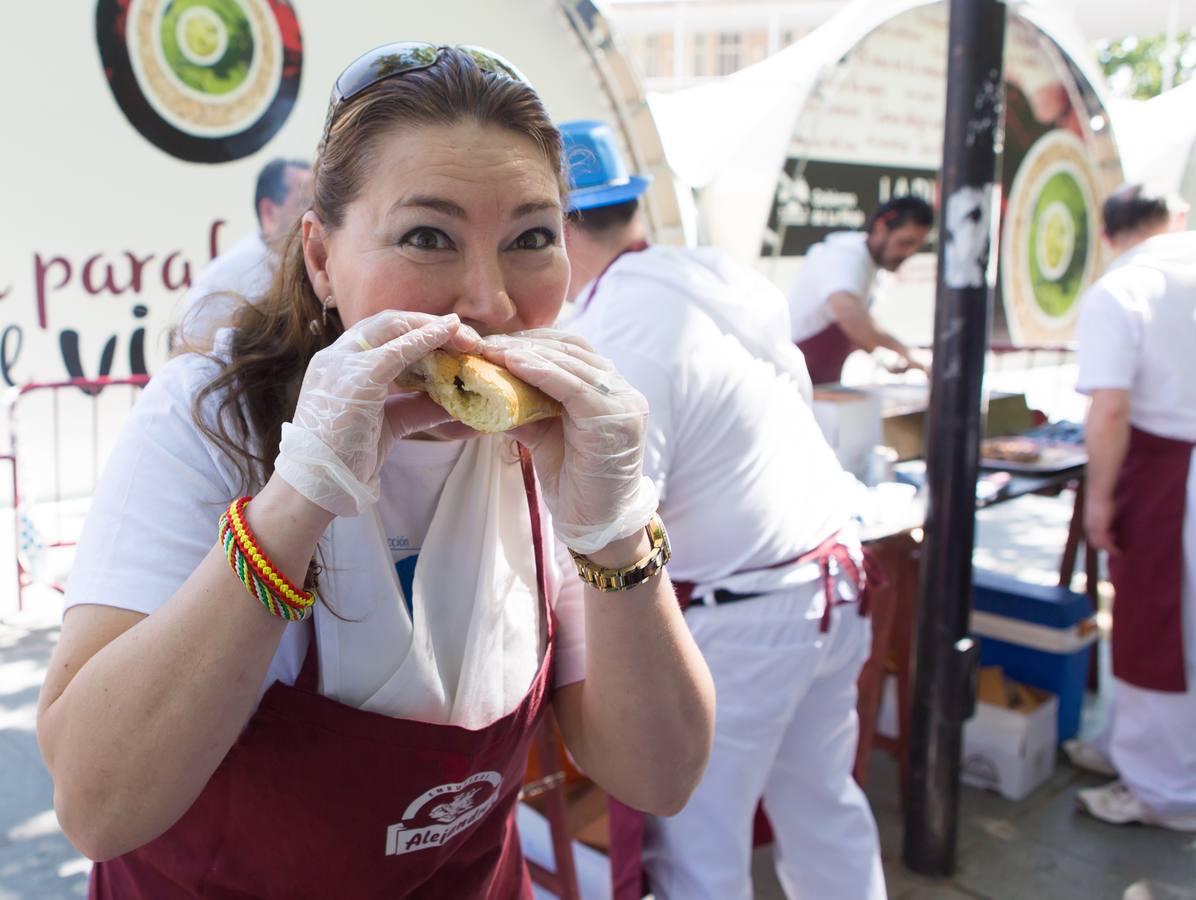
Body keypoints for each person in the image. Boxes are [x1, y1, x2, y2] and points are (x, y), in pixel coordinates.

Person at [36, 46, 715, 898]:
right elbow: (96, 807)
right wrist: (298, 498)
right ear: (321, 259)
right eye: (427, 236)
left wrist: (614, 528)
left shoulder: (565, 435)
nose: (489, 301)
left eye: (531, 237)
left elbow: (661, 776)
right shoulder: (211, 419)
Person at [560, 119, 886, 900]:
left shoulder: (625, 325)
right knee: (823, 804)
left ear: (561, 226)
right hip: (832, 581)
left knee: (698, 850)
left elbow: (622, 517)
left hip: (748, 616)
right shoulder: (714, 275)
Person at [1070, 183, 1196, 832]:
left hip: (1169, 472)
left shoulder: (1122, 290)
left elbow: (1110, 408)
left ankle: (1162, 790)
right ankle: (1136, 749)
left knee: (1155, 623)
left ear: (1109, 233)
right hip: (1174, 460)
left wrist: (1098, 498)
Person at [788, 196, 933, 384]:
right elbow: (852, 319)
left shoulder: (870, 267)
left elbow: (859, 335)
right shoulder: (844, 256)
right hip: (796, 380)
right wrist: (907, 353)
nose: (908, 253)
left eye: (916, 246)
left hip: (820, 383)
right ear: (881, 227)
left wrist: (886, 359)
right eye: (904, 243)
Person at [174, 157, 313, 349]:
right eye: (306, 203)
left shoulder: (320, 266)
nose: (316, 217)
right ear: (269, 212)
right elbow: (189, 360)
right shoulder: (223, 281)